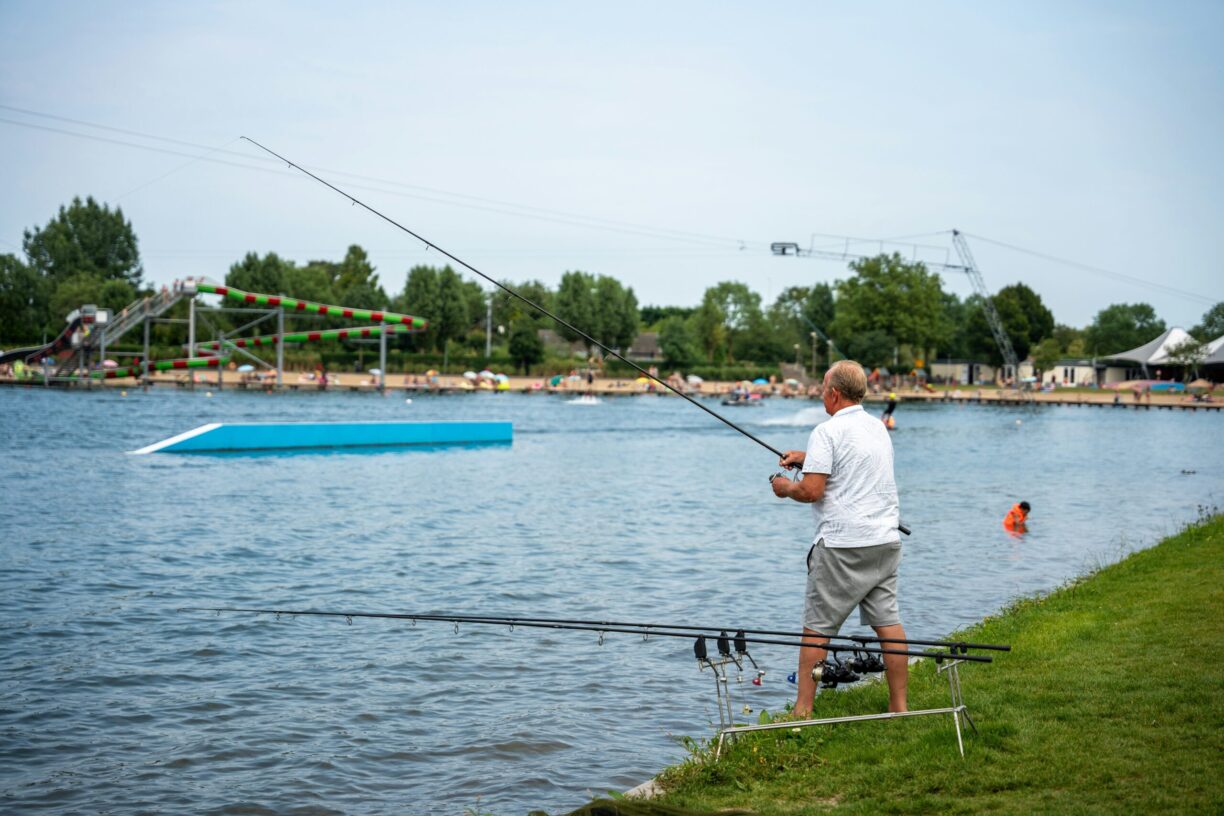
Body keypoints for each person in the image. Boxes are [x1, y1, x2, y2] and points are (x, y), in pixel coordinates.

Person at [771, 360, 908, 717]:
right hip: (884, 541)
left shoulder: (826, 431)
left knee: (816, 630)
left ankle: (802, 710)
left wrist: (785, 488)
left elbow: (811, 491)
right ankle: (899, 707)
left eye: (822, 388)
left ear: (834, 393)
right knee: (888, 624)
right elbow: (853, 463)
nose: (820, 394)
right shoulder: (877, 427)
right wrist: (807, 459)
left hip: (842, 547)